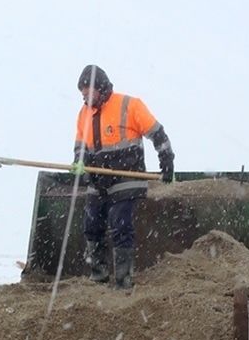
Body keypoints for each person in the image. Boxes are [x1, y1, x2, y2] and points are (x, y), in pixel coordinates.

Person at [73, 65, 174, 289]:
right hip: (98, 178)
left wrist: (166, 160)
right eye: (82, 94)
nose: (85, 98)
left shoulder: (130, 106)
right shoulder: (84, 114)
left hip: (126, 176)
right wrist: (78, 161)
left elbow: (157, 133)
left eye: (88, 92)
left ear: (100, 88)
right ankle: (98, 275)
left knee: (120, 223)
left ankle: (123, 280)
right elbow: (80, 144)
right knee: (91, 223)